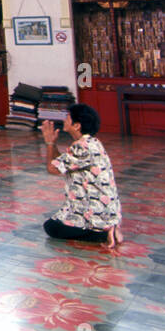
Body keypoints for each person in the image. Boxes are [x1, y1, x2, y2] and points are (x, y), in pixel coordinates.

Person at [40, 104, 123, 247]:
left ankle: (102, 234)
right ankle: (107, 229)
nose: (65, 120)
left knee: (51, 227)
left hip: (96, 213)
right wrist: (53, 143)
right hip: (105, 211)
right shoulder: (91, 142)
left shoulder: (82, 147)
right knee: (58, 219)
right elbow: (61, 164)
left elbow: (52, 168)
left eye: (68, 117)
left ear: (77, 125)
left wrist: (48, 142)